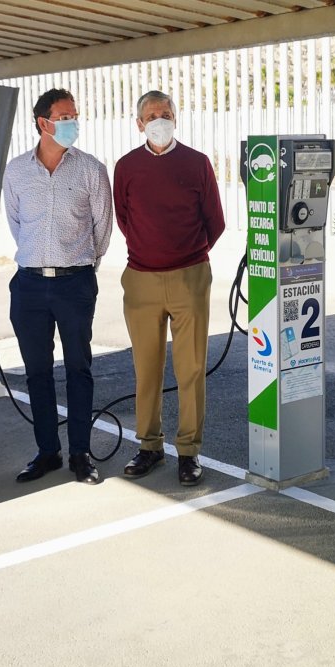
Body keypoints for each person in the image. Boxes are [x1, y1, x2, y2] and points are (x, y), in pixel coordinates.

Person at [113, 90, 225, 486]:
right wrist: (152, 252)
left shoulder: (196, 163)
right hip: (140, 278)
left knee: (191, 368)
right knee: (146, 368)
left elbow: (216, 221)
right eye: (151, 114)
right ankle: (149, 445)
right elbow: (124, 220)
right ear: (139, 123)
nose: (159, 119)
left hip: (190, 276)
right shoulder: (126, 166)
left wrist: (185, 254)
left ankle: (189, 452)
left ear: (176, 118)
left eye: (166, 113)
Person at [3, 88, 112, 486]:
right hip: (29, 286)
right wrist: (40, 258)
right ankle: (47, 451)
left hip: (75, 284)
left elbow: (103, 228)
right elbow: (17, 225)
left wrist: (81, 264)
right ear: (42, 122)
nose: (72, 123)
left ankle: (80, 453)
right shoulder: (16, 171)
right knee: (37, 373)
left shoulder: (91, 169)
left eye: (74, 116)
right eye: (64, 117)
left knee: (79, 370)